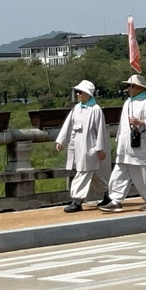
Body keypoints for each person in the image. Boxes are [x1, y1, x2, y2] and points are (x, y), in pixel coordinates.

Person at [102, 74, 146, 211]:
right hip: (125, 145)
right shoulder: (128, 102)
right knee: (119, 172)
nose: (128, 88)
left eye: (131, 86)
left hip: (140, 146)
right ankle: (115, 200)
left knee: (143, 174)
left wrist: (140, 122)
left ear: (139, 87)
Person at [55, 80, 110, 213]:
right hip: (77, 145)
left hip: (89, 147)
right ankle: (109, 194)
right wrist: (61, 140)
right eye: (77, 92)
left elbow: (101, 130)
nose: (78, 94)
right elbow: (68, 125)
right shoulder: (76, 108)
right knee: (92, 173)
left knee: (83, 172)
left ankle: (77, 200)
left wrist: (100, 148)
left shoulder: (96, 110)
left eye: (80, 92)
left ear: (88, 94)